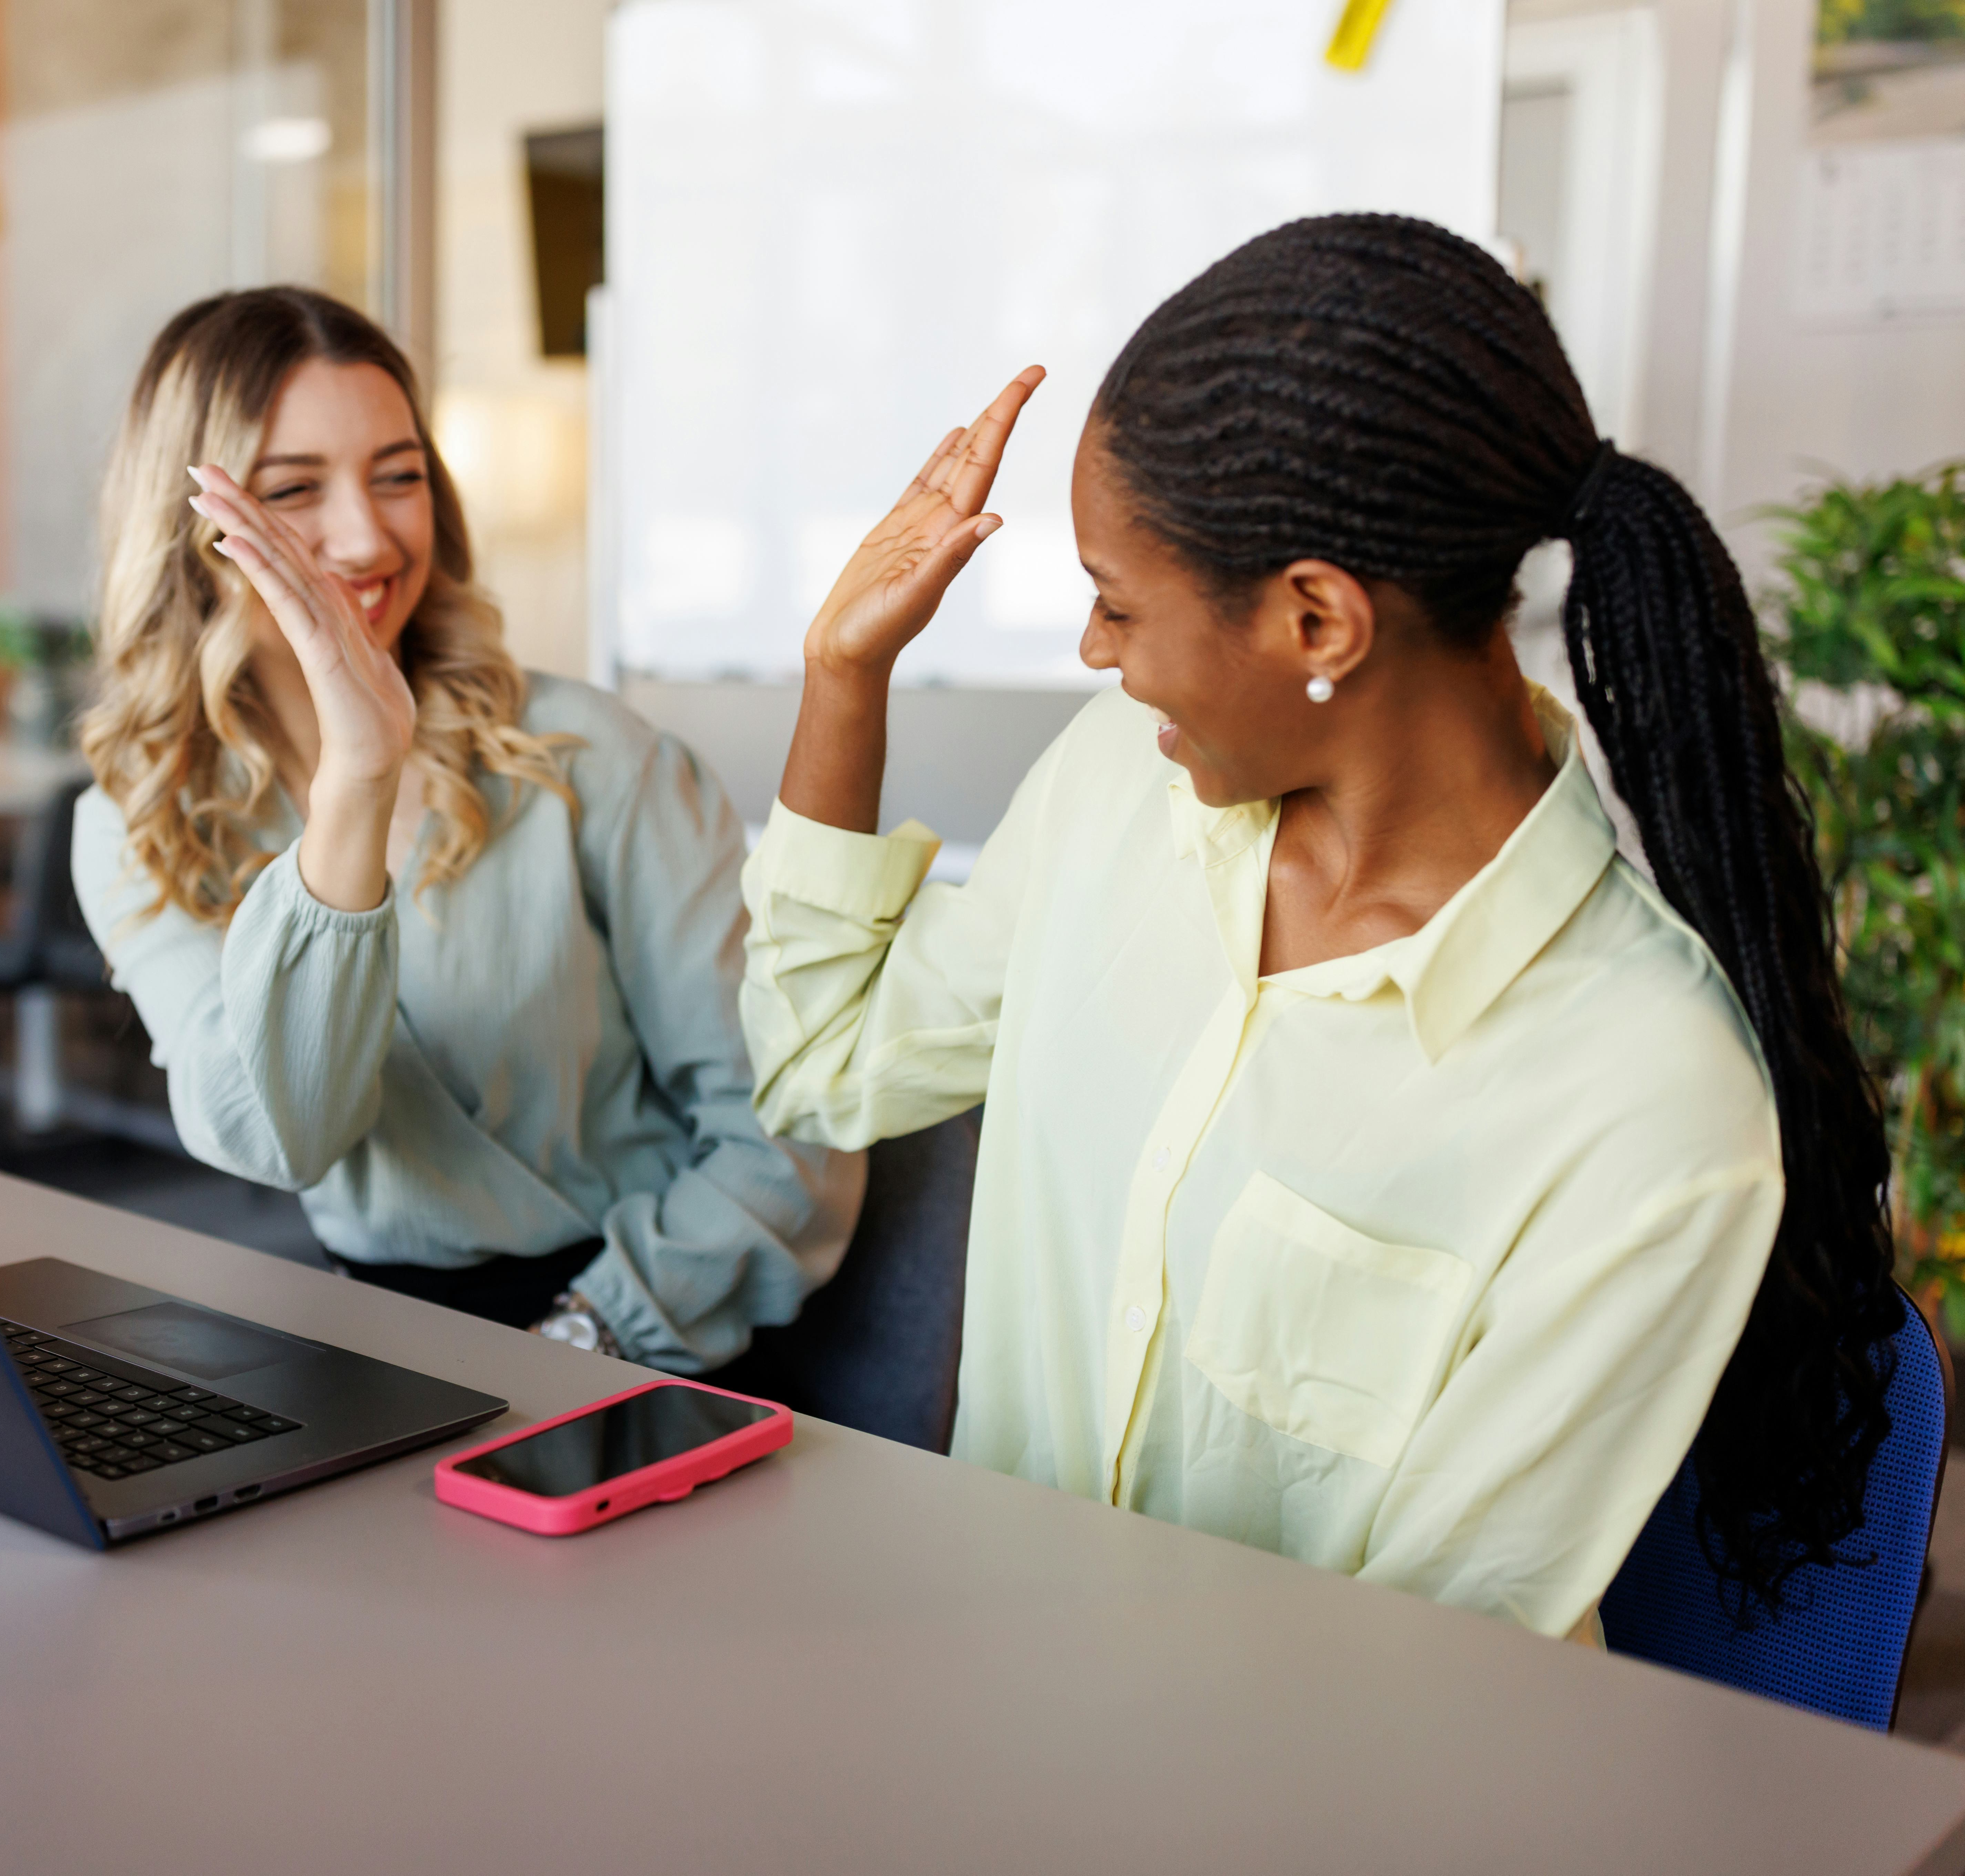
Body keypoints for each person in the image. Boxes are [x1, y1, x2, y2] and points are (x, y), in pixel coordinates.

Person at [741, 214, 1902, 1640]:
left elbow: (1415, 1684)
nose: (1097, 654)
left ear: (1317, 622)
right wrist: (842, 674)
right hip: (986, 1692)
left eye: (1117, 604)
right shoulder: (1120, 790)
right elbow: (829, 1065)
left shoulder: (1647, 1098)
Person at [74, 286, 861, 1372]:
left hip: (649, 1335)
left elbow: (789, 1137)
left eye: (398, 476)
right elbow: (280, 1135)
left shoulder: (590, 757)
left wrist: (584, 1335)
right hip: (379, 1348)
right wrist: (358, 778)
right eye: (295, 489)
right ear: (192, 531)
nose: (365, 535)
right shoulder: (141, 820)